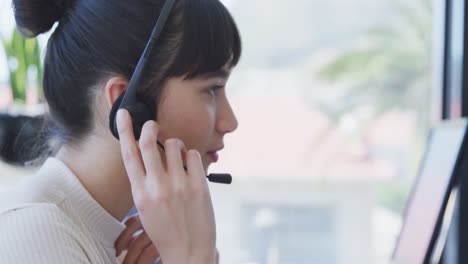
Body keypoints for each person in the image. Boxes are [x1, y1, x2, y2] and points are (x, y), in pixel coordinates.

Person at [0, 0, 241, 263]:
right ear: (126, 103)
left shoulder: (140, 239)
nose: (230, 122)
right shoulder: (35, 237)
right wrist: (193, 258)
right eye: (212, 89)